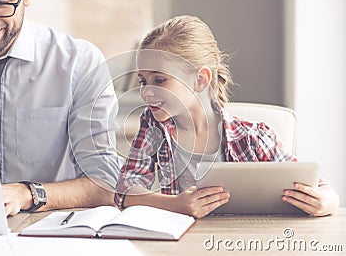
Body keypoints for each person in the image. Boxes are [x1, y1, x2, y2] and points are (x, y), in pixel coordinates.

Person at [114, 15, 339, 218]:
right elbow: (124, 190)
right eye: (143, 81)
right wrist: (175, 205)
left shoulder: (252, 138)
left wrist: (328, 202)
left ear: (200, 80)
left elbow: (319, 189)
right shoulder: (153, 125)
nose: (146, 91)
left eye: (159, 80)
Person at [0, 0, 121, 215]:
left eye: (2, 4)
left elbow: (106, 184)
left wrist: (27, 194)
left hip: (44, 236)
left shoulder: (79, 64)